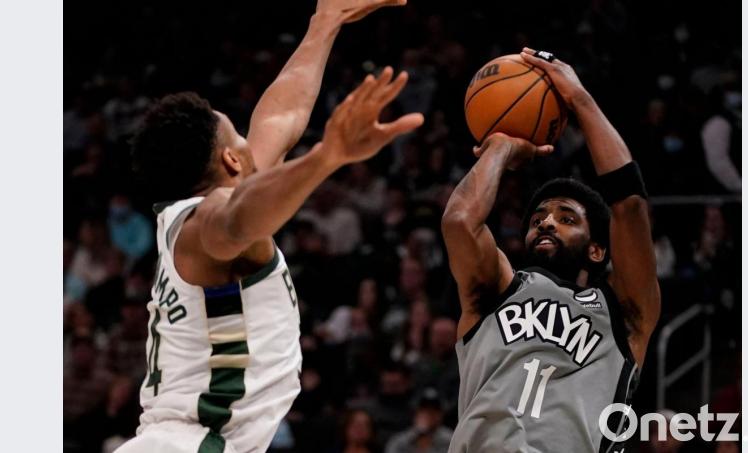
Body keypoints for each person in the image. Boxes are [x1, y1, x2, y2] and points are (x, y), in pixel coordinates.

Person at [115, 1, 423, 452]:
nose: (252, 138)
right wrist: (326, 157)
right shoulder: (205, 226)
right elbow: (238, 220)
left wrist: (325, 22)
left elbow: (281, 116)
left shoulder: (200, 212)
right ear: (231, 160)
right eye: (239, 134)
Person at [442, 48, 660, 453]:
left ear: (597, 251)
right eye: (539, 216)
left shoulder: (626, 311)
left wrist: (579, 99)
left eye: (567, 218)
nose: (546, 221)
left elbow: (629, 205)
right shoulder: (497, 288)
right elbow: (459, 222)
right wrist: (500, 148)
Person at [385, 388, 453, 453]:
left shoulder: (451, 440)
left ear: (441, 414)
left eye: (434, 410)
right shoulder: (399, 443)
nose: (429, 413)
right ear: (415, 413)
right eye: (424, 409)